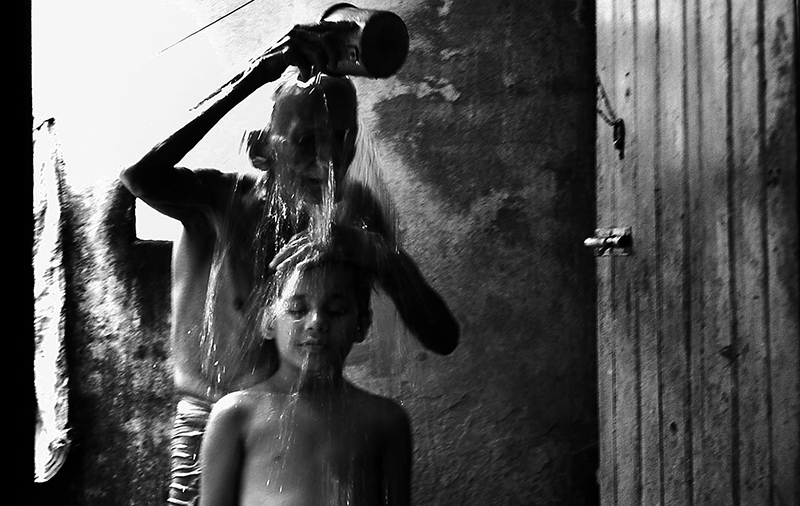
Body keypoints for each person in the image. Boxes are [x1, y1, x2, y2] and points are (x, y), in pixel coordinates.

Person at [118, 16, 456, 506]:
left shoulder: (355, 213)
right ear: (261, 150)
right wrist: (256, 72)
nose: (328, 160)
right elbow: (138, 176)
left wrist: (375, 254)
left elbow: (442, 337)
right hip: (210, 423)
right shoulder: (220, 203)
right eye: (305, 141)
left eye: (343, 139)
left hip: (302, 428)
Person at [198, 228, 412, 506]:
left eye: (336, 311)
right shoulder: (236, 415)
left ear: (362, 324)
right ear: (268, 322)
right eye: (297, 310)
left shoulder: (385, 420)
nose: (316, 322)